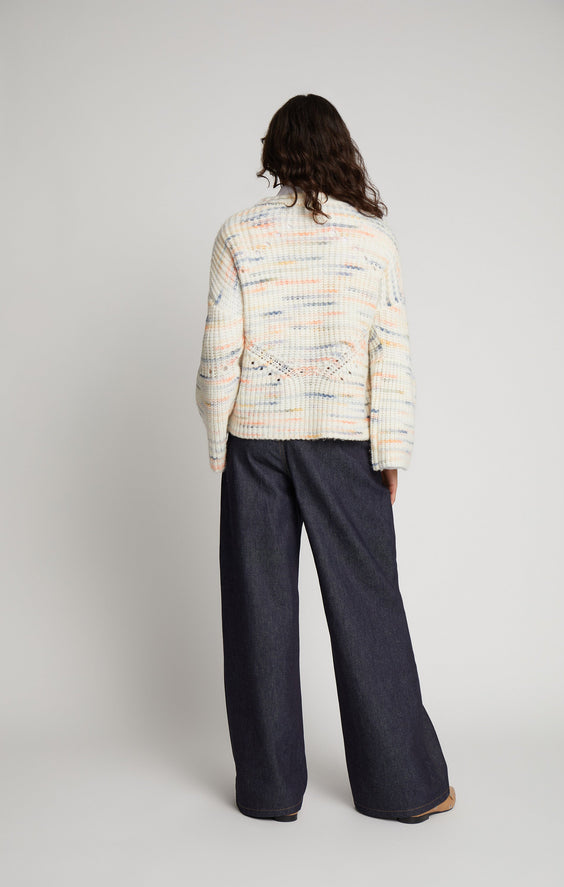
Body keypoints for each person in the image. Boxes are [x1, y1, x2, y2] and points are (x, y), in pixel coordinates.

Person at [195, 93, 456, 824]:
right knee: (369, 605)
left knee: (258, 611)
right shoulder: (373, 242)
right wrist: (391, 450)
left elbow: (220, 349)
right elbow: (390, 357)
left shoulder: (239, 233)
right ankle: (405, 789)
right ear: (341, 150)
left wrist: (218, 436)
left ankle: (270, 792)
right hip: (345, 443)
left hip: (256, 442)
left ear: (274, 153)